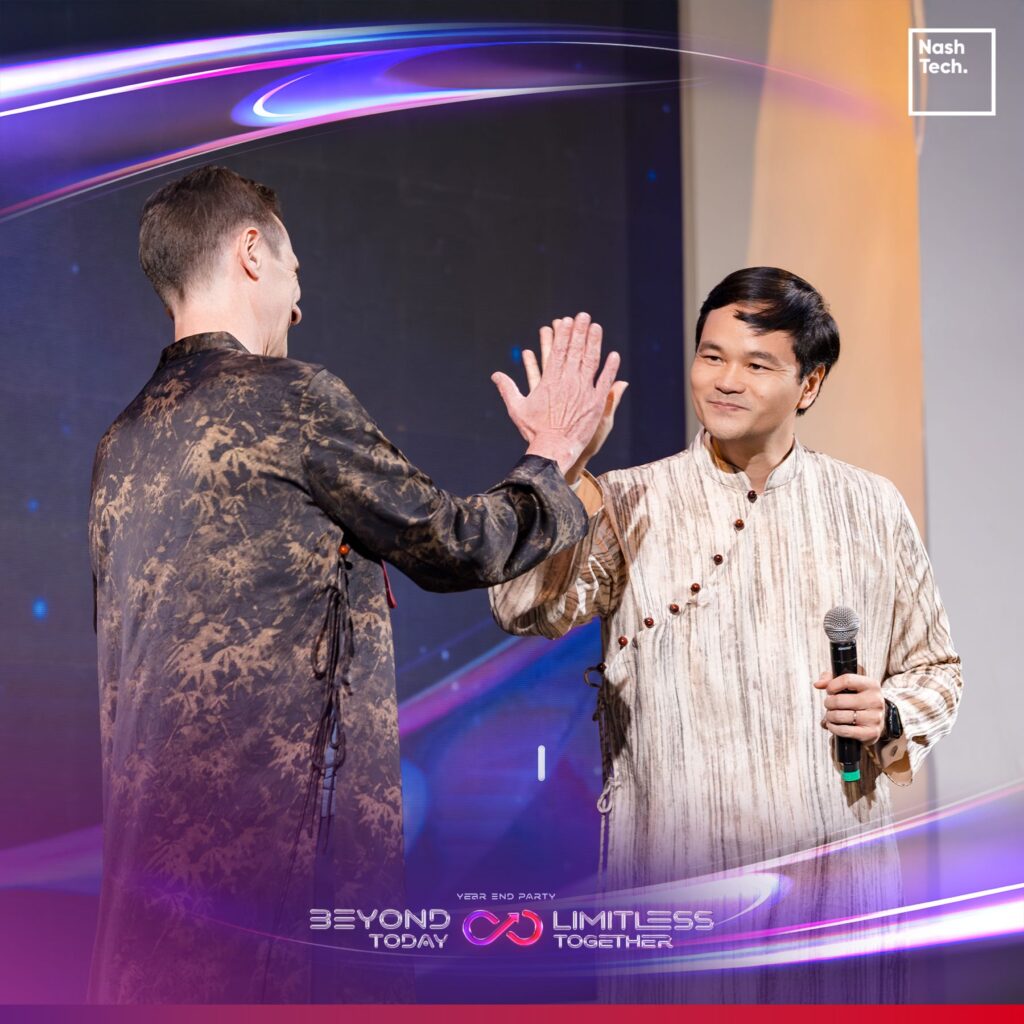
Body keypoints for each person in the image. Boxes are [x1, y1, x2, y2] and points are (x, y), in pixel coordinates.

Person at [87, 164, 620, 1003]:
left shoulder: (118, 446)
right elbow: (458, 544)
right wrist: (552, 456)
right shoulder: (290, 400)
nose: (300, 303)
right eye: (294, 269)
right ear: (252, 252)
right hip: (277, 899)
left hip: (151, 905)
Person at [489, 267, 963, 1002]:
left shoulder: (870, 505)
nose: (725, 381)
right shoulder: (630, 498)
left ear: (809, 384)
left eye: (757, 364)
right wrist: (556, 465)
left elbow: (937, 667)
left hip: (834, 889)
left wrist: (890, 713)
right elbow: (521, 607)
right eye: (711, 356)